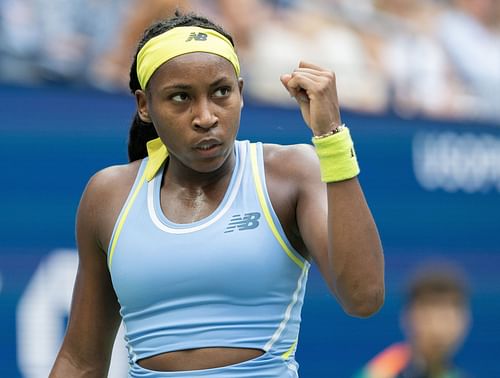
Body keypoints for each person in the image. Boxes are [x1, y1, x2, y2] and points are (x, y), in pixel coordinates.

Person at [49, 11, 384, 377]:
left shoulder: (294, 172)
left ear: (241, 92)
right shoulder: (108, 194)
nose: (205, 116)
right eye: (180, 97)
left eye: (221, 92)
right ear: (144, 105)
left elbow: (363, 297)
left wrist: (332, 138)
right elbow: (80, 361)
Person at [355, 262, 471, 378]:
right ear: (407, 317)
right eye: (430, 316)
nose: (439, 328)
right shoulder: (380, 373)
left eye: (449, 318)